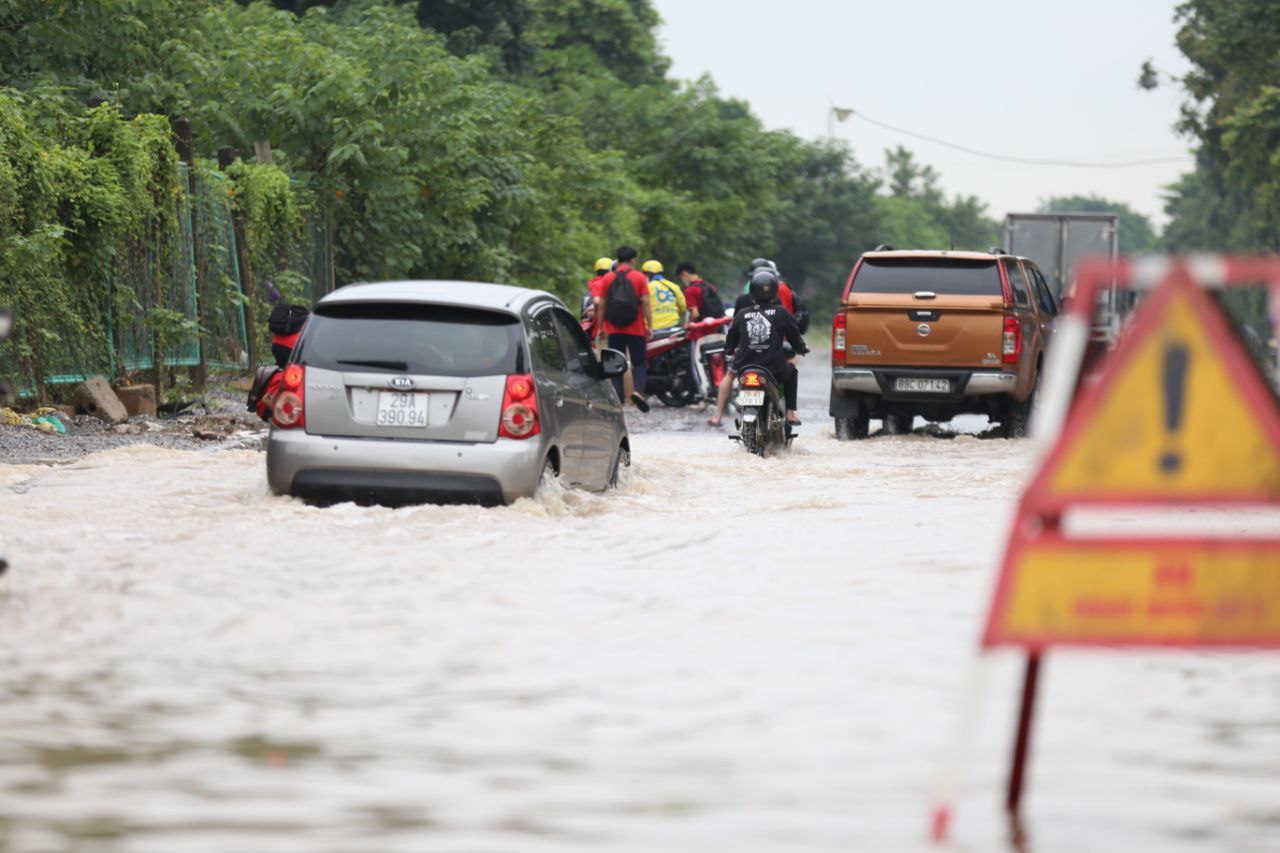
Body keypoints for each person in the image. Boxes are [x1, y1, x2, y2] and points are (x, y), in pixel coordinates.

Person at [709, 269, 808, 427]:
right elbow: (795, 336)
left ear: (752, 293)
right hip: (773, 368)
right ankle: (790, 414)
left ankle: (718, 414)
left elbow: (731, 340)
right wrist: (801, 348)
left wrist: (729, 350)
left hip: (744, 367)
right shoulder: (781, 312)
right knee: (792, 371)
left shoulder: (742, 314)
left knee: (729, 376)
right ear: (775, 293)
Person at [591, 245, 652, 412]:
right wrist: (649, 326)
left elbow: (602, 305)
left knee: (616, 362)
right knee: (639, 363)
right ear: (632, 260)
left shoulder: (608, 278)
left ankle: (618, 398)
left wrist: (601, 327)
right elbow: (646, 303)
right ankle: (638, 391)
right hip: (636, 329)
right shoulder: (640, 278)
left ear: (617, 260)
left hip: (614, 329)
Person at [642, 259, 687, 331]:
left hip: (653, 330)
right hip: (674, 327)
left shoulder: (645, 287)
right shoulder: (674, 286)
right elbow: (683, 307)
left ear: (648, 274)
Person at [583, 256, 613, 339]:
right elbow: (597, 301)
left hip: (592, 332)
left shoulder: (590, 287)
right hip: (605, 330)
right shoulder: (605, 284)